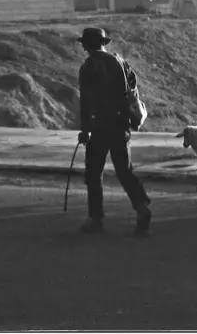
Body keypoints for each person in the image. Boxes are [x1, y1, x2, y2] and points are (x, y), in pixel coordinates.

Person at [76, 27, 152, 236]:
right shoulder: (120, 61)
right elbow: (133, 89)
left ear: (86, 45)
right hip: (121, 125)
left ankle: (96, 219)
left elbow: (86, 102)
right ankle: (142, 207)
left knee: (94, 174)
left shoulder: (89, 67)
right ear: (103, 43)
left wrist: (85, 130)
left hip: (100, 127)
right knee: (125, 171)